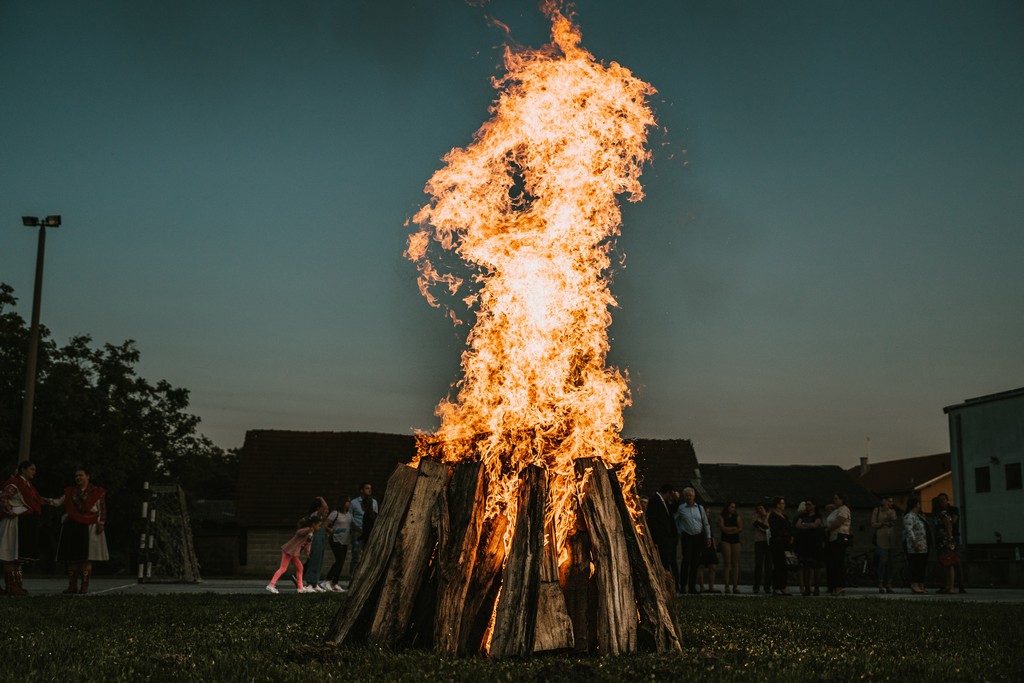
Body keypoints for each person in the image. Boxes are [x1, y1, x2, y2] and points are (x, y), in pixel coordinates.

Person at [1, 461, 58, 596]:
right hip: (13, 522)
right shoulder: (15, 483)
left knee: (18, 556)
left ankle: (17, 585)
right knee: (10, 554)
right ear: (23, 470)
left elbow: (36, 500)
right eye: (32, 469)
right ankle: (11, 587)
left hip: (23, 522)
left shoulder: (28, 486)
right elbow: (3, 497)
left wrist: (53, 502)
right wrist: (10, 511)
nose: (34, 472)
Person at [53, 466, 109, 594]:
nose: (78, 478)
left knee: (86, 558)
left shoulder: (96, 491)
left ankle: (84, 586)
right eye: (76, 476)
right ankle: (72, 586)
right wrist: (41, 500)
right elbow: (58, 502)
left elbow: (102, 508)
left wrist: (101, 523)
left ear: (87, 476)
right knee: (72, 558)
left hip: (89, 525)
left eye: (81, 475)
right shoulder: (71, 491)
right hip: (72, 525)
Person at [266, 513, 321, 594]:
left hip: (293, 553)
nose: (319, 527)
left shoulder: (311, 534)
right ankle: (271, 585)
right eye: (318, 525)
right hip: (289, 551)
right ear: (313, 524)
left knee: (300, 568)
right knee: (283, 568)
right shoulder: (306, 530)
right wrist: (308, 530)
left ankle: (300, 587)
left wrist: (307, 552)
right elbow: (299, 532)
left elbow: (308, 543)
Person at [674, 487, 711, 595]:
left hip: (698, 537)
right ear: (684, 497)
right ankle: (683, 586)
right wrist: (680, 531)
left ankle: (692, 587)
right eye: (687, 496)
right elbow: (675, 521)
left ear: (694, 497)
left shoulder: (700, 508)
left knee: (695, 562)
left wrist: (708, 537)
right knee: (686, 561)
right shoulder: (681, 508)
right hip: (687, 537)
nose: (689, 497)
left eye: (690, 495)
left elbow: (705, 523)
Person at [645, 483, 680, 591]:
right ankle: (666, 585)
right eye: (671, 494)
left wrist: (676, 500)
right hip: (661, 538)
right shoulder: (655, 501)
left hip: (668, 538)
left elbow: (672, 511)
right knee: (664, 562)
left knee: (670, 561)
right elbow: (653, 521)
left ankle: (673, 584)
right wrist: (660, 536)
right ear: (668, 493)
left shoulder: (664, 502)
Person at [935, 493, 965, 592]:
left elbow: (953, 522)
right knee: (944, 561)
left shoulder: (952, 510)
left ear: (947, 500)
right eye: (940, 500)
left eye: (943, 499)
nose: (942, 502)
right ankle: (946, 585)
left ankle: (959, 585)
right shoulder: (939, 512)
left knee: (954, 560)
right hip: (942, 539)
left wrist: (949, 536)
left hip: (952, 537)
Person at [322, 496, 352, 592]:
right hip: (335, 540)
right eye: (348, 501)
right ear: (343, 502)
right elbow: (325, 524)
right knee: (339, 560)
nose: (349, 503)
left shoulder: (349, 515)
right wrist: (330, 530)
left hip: (345, 541)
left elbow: (354, 525)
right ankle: (327, 580)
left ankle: (334, 583)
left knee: (341, 562)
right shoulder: (335, 513)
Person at [350, 482, 378, 580]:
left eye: (370, 488)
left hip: (369, 532)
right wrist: (356, 528)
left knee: (367, 555)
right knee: (356, 556)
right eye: (367, 488)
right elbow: (350, 517)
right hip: (358, 531)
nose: (369, 490)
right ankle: (352, 577)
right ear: (361, 490)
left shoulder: (374, 502)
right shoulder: (354, 503)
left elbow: (375, 516)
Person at [794, 499, 823, 596]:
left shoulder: (818, 516)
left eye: (809, 504)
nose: (807, 506)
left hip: (814, 543)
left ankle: (816, 588)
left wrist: (805, 524)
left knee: (815, 566)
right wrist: (808, 525)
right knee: (805, 566)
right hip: (804, 543)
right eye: (806, 505)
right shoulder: (802, 516)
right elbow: (798, 525)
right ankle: (807, 588)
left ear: (814, 506)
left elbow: (815, 525)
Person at [824, 492, 852, 595]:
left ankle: (840, 586)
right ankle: (835, 586)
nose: (834, 500)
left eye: (836, 498)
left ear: (842, 499)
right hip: (833, 539)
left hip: (840, 538)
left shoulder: (844, 509)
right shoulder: (836, 510)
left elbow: (839, 521)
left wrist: (828, 529)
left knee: (839, 563)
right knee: (834, 563)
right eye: (834, 498)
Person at [871, 496, 898, 593]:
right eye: (889, 501)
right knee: (883, 560)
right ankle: (880, 583)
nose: (891, 503)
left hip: (891, 539)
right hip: (881, 539)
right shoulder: (877, 510)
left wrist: (890, 514)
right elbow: (873, 523)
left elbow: (894, 520)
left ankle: (889, 584)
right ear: (884, 501)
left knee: (891, 562)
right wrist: (882, 524)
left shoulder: (892, 511)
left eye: (892, 502)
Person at [767, 496, 793, 596]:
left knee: (784, 566)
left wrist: (791, 536)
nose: (784, 505)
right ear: (777, 504)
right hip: (777, 543)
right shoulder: (773, 516)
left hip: (785, 544)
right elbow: (776, 529)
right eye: (782, 503)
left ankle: (783, 587)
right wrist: (785, 535)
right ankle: (776, 587)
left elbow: (789, 527)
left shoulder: (784, 516)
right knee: (778, 565)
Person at [303, 497, 329, 591]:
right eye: (324, 509)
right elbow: (325, 506)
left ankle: (315, 582)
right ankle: (310, 582)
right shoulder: (315, 515)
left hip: (321, 539)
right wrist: (321, 498)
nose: (327, 511)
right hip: (316, 539)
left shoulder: (321, 517)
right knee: (314, 559)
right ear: (318, 508)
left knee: (319, 560)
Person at [903, 497, 929, 594]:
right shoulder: (909, 516)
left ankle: (920, 583)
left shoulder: (918, 516)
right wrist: (914, 542)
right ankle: (914, 584)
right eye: (918, 503)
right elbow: (909, 530)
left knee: (922, 565)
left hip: (923, 544)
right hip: (915, 545)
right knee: (915, 565)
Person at [718, 501, 742, 594]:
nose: (733, 508)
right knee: (727, 563)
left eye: (734, 507)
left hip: (735, 540)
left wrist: (729, 530)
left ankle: (735, 586)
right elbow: (722, 527)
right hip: (725, 540)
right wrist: (733, 528)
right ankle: (727, 586)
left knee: (735, 564)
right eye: (732, 507)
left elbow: (740, 528)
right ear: (727, 507)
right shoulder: (722, 516)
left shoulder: (737, 517)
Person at [751, 502, 772, 594]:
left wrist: (762, 521)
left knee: (768, 565)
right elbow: (756, 525)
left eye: (761, 508)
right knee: (759, 564)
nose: (760, 510)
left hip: (768, 542)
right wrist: (761, 523)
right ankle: (756, 586)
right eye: (758, 508)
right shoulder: (755, 516)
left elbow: (767, 528)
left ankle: (767, 586)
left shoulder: (770, 516)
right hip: (759, 542)